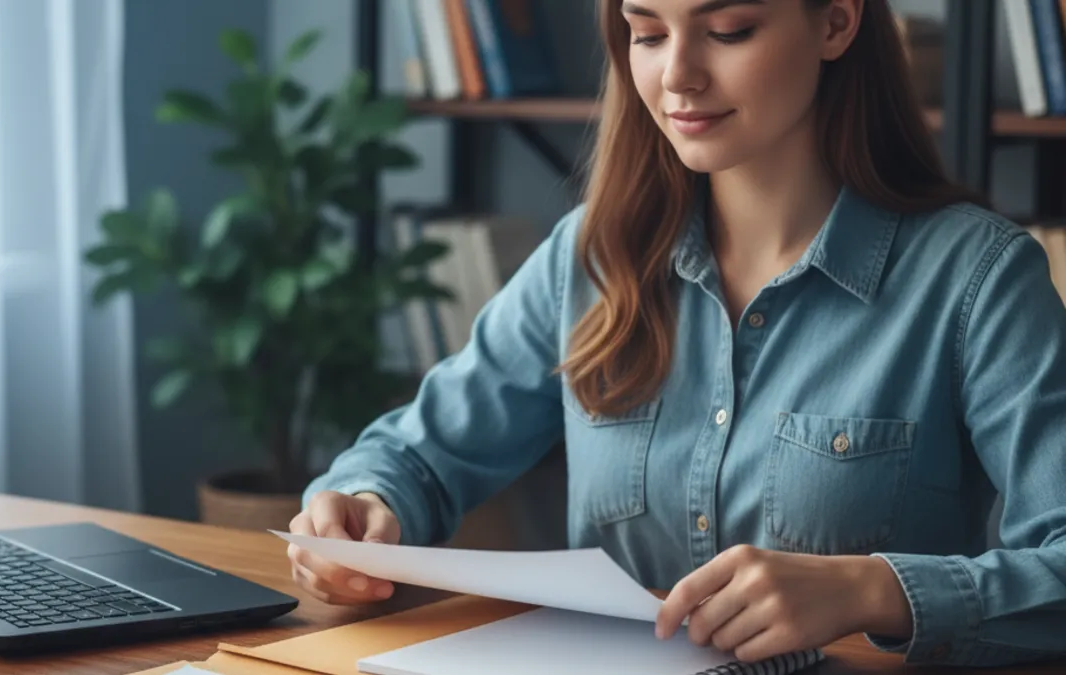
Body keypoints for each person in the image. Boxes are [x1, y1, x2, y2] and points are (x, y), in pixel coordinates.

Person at [287, 0, 1066, 667]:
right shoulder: (590, 258)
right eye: (649, 33)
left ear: (836, 22)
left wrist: (872, 589)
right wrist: (363, 504)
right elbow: (418, 454)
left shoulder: (977, 278)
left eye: (728, 31)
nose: (677, 75)